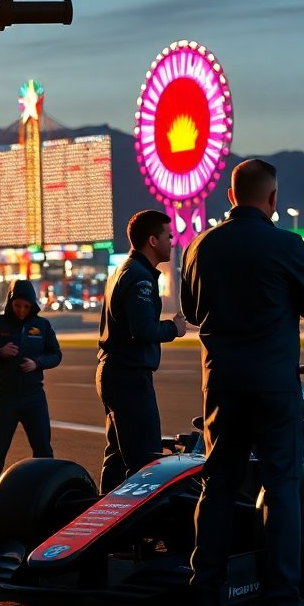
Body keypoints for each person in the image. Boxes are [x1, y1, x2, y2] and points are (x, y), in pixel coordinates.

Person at [181, 159, 304, 606]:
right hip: (272, 383)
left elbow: (190, 308)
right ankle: (283, 602)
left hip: (222, 383)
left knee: (217, 486)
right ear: (272, 200)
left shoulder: (199, 246)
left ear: (230, 196)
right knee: (282, 488)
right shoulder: (284, 244)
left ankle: (205, 595)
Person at [95, 209, 187, 493]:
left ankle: (102, 520)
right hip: (129, 376)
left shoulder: (122, 271)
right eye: (167, 236)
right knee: (145, 460)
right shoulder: (140, 278)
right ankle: (139, 531)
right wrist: (174, 329)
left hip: (114, 373)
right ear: (152, 240)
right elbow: (143, 330)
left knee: (117, 458)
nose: (172, 241)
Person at [0, 279, 62, 498]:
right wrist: (0, 351)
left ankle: (49, 493)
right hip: (4, 398)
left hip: (33, 397)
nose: (21, 311)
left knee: (43, 450)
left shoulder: (42, 326)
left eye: (26, 306)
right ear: (10, 302)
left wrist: (38, 363)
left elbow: (56, 354)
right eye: (17, 305)